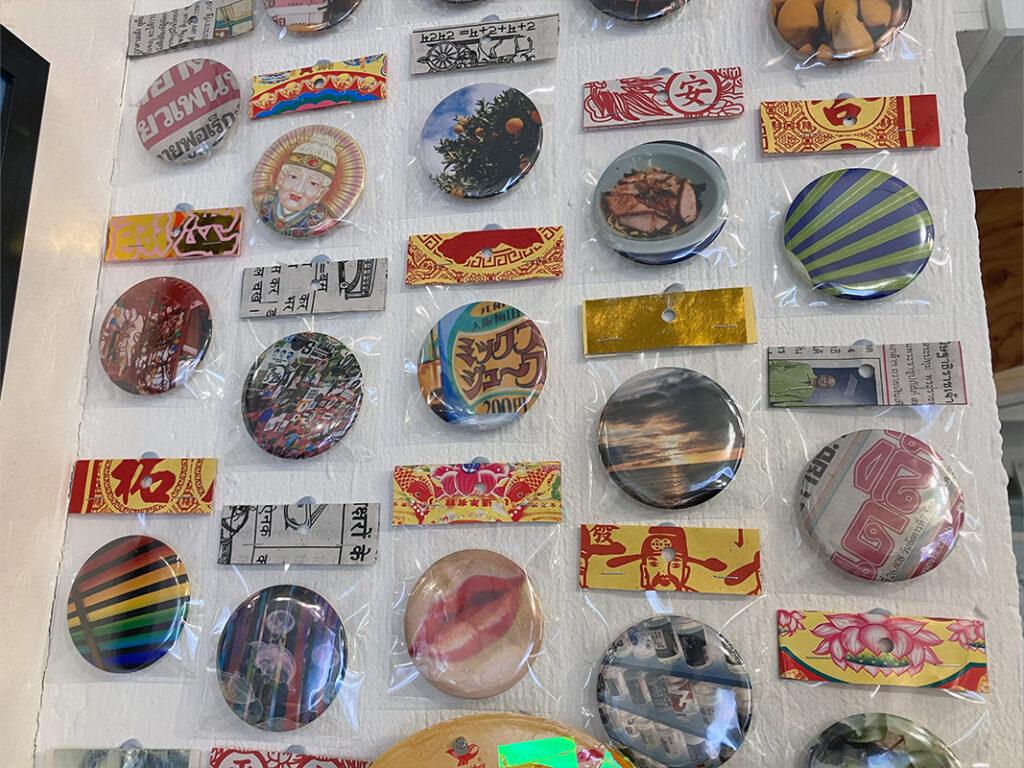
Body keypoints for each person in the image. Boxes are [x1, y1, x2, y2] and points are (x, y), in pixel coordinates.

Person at [258, 133, 338, 237]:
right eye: (293, 177)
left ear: (320, 193)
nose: (298, 190)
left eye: (313, 183)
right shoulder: (261, 202)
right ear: (280, 179)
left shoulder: (325, 221)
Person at [768, 360, 836, 406]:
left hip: (769, 391)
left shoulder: (806, 395)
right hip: (768, 372)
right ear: (823, 375)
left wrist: (770, 398)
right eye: (826, 379)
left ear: (824, 388)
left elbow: (785, 398)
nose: (824, 381)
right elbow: (785, 364)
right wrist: (768, 363)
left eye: (827, 384)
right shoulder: (806, 368)